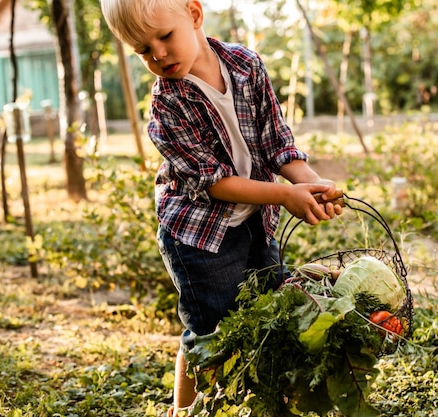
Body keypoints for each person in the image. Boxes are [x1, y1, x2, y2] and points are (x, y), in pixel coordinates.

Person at [100, 0, 343, 415]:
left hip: (253, 221)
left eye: (164, 37)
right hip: (199, 238)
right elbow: (216, 185)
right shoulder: (167, 107)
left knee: (267, 308)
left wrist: (309, 183)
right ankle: (184, 411)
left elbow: (276, 141)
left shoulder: (246, 66)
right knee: (210, 329)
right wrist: (286, 196)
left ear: (193, 15)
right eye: (142, 50)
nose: (157, 54)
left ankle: (269, 399)